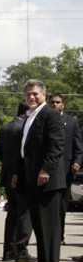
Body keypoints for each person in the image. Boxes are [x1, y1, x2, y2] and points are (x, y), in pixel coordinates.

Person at [18, 80, 66, 262]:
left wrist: (46, 170)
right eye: (28, 94)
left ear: (43, 95)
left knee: (49, 225)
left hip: (47, 179)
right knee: (39, 224)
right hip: (32, 177)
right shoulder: (31, 116)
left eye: (35, 94)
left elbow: (57, 145)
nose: (31, 97)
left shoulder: (50, 114)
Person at [0, 102, 33, 261]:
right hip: (23, 174)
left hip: (7, 174)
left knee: (12, 213)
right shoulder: (27, 127)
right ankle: (21, 250)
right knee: (25, 213)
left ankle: (8, 251)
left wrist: (7, 164)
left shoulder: (5, 127)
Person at [48, 93, 83, 245]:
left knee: (61, 204)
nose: (55, 105)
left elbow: (78, 146)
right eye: (52, 102)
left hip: (66, 170)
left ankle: (59, 236)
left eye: (58, 102)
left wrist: (77, 162)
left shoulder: (72, 122)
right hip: (48, 168)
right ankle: (47, 236)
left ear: (63, 104)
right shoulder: (44, 120)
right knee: (48, 205)